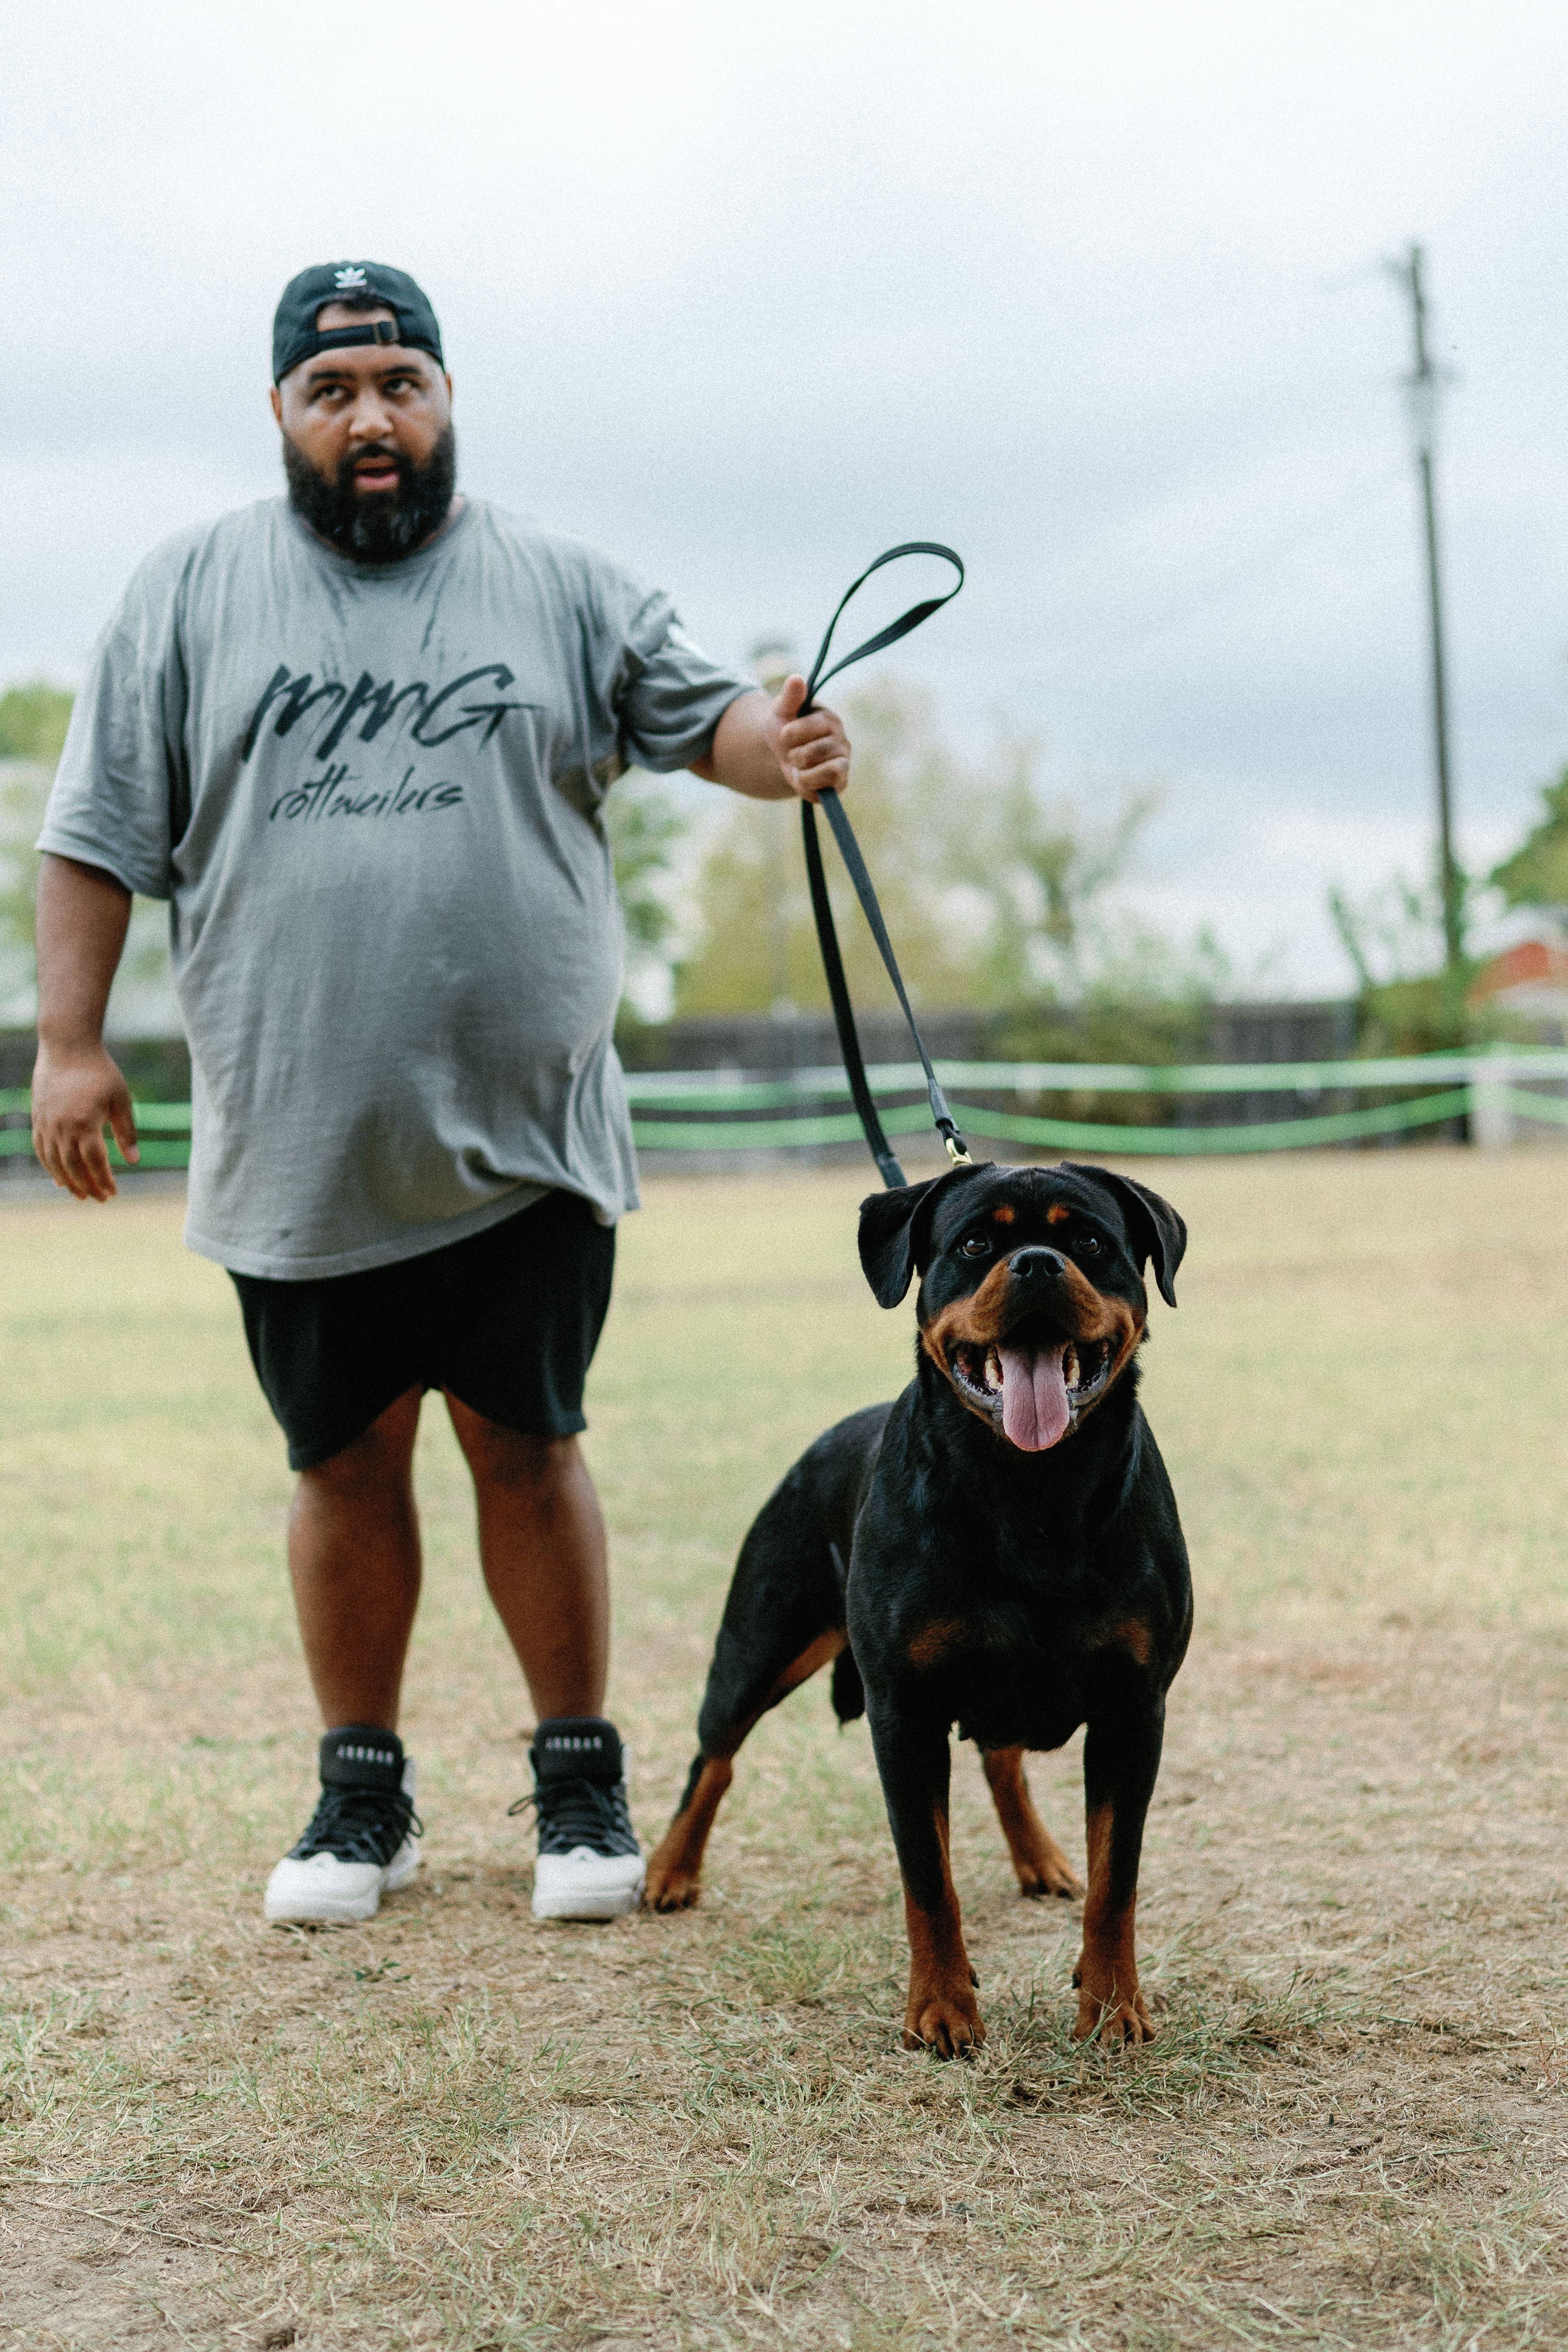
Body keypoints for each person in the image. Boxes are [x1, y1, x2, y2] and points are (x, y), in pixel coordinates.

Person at [31, 260, 850, 1928]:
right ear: (280, 412)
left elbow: (710, 721)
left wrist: (783, 746)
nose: (371, 418)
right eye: (332, 391)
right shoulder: (185, 591)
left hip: (526, 1138)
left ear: (448, 398)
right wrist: (70, 1041)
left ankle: (578, 1782)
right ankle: (362, 1800)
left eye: (400, 384)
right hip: (301, 1140)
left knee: (531, 1450)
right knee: (341, 1465)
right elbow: (94, 832)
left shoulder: (561, 582)